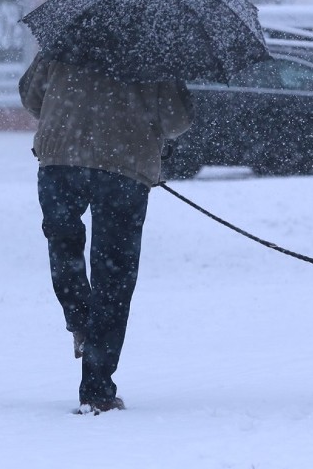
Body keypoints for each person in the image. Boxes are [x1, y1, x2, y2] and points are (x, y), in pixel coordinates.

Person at [19, 53, 193, 414]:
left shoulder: (65, 40)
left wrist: (73, 113)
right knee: (114, 276)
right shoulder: (153, 51)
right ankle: (97, 389)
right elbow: (176, 121)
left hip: (61, 160)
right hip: (124, 168)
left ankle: (80, 316)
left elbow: (32, 97)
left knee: (63, 243)